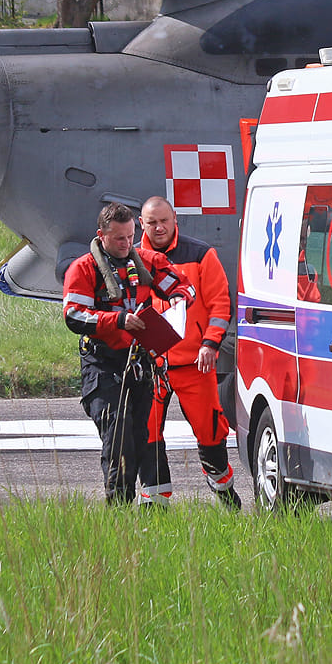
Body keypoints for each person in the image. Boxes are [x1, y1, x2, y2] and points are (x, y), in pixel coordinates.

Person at [64, 202, 195, 504]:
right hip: (102, 363)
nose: (126, 245)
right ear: (102, 235)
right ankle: (118, 510)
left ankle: (146, 510)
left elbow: (184, 287)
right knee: (118, 438)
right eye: (119, 239)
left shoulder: (146, 261)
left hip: (139, 363)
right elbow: (74, 316)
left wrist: (178, 302)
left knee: (141, 439)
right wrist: (118, 320)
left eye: (130, 237)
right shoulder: (84, 268)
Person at [136, 196, 241, 510]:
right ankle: (155, 504)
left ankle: (223, 489)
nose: (158, 228)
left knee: (211, 433)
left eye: (163, 221)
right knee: (146, 433)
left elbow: (221, 305)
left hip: (195, 364)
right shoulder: (130, 259)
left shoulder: (200, 254)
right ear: (142, 224)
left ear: (174, 219)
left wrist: (210, 344)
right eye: (152, 222)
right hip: (149, 366)